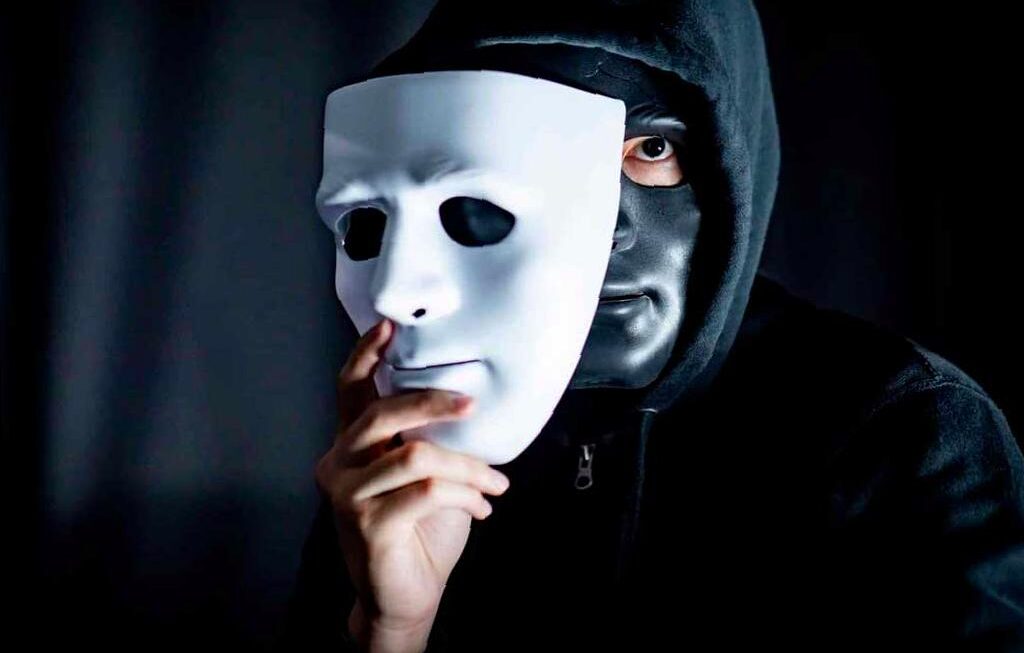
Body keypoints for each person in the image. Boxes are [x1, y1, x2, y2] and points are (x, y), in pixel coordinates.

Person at [277, 1, 1024, 651]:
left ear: (731, 167)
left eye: (651, 149)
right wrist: (390, 629)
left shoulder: (899, 430)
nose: (604, 230)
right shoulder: (419, 447)